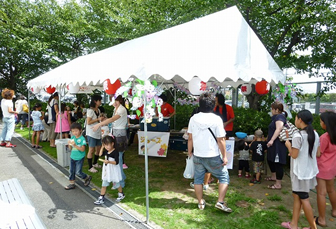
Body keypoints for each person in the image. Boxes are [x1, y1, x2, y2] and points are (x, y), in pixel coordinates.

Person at [187, 92, 231, 212]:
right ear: (213, 105)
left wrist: (189, 152)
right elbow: (221, 140)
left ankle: (200, 202)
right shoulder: (216, 119)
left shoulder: (193, 119)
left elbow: (190, 138)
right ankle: (220, 202)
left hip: (198, 154)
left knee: (198, 179)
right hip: (213, 155)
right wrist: (225, 156)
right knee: (223, 176)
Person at [282, 110, 319, 229]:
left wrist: (288, 146)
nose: (295, 120)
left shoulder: (298, 136)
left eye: (296, 118)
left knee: (304, 198)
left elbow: (294, 155)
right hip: (309, 170)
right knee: (296, 196)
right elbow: (317, 153)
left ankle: (313, 227)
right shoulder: (315, 134)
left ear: (300, 120)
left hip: (300, 172)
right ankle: (294, 224)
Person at [93, 95, 127, 188]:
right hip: (116, 134)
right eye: (112, 100)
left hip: (119, 135)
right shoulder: (116, 109)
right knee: (117, 159)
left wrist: (99, 124)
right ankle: (120, 179)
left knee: (118, 159)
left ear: (119, 100)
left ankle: (120, 182)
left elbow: (112, 119)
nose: (113, 102)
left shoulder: (121, 109)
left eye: (115, 100)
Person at [314, 111, 336, 227]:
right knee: (331, 190)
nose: (320, 123)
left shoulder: (324, 137)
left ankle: (321, 219)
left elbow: (318, 153)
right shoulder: (334, 136)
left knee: (321, 193)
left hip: (322, 168)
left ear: (326, 123)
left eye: (321, 121)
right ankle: (334, 211)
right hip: (332, 168)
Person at [94, 135, 125, 204]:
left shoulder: (115, 152)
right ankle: (101, 197)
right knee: (104, 184)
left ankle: (121, 193)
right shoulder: (106, 151)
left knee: (117, 183)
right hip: (107, 170)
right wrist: (102, 147)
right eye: (105, 145)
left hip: (113, 170)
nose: (107, 147)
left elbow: (116, 162)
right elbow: (100, 154)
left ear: (112, 144)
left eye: (108, 145)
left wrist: (109, 162)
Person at [265, 101, 287, 190]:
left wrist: (271, 140)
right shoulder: (275, 118)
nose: (271, 111)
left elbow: (278, 129)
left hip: (278, 144)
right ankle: (273, 176)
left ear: (277, 110)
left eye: (272, 109)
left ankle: (278, 184)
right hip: (273, 144)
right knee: (270, 159)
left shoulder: (280, 117)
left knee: (278, 163)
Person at [65, 122, 92, 190]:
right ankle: (72, 183)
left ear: (80, 130)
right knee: (71, 170)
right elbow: (70, 148)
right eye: (73, 131)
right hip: (72, 156)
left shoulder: (82, 139)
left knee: (78, 172)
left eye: (76, 131)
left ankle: (86, 177)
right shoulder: (73, 137)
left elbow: (82, 149)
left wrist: (75, 145)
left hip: (79, 157)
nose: (74, 133)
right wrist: (69, 144)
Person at [86, 94, 104, 173]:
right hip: (91, 133)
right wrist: (98, 119)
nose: (100, 102)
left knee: (98, 148)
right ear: (95, 101)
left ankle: (95, 163)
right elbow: (88, 122)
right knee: (91, 149)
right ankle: (90, 167)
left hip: (98, 132)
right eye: (99, 100)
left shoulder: (98, 110)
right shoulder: (90, 111)